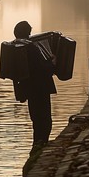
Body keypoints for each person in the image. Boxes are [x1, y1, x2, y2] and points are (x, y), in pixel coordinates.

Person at [13, 20, 56, 154]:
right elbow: (43, 69)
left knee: (36, 120)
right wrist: (53, 62)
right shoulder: (32, 48)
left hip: (30, 91)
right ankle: (39, 148)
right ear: (28, 33)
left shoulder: (19, 48)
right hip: (41, 89)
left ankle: (37, 147)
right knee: (45, 121)